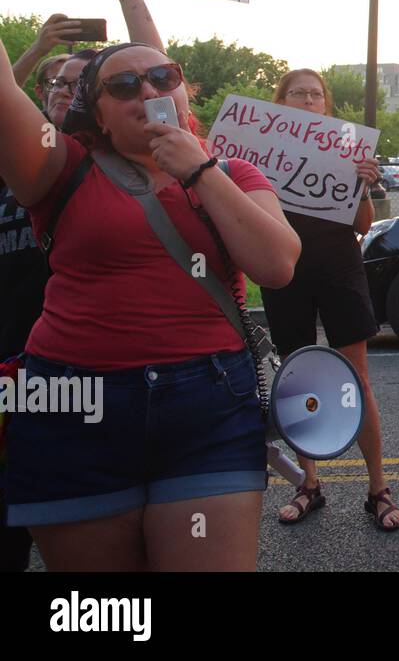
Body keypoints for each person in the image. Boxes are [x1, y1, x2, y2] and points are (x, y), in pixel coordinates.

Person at [0, 35, 300, 570]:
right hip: (74, 408)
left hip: (207, 406)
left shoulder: (232, 174)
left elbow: (276, 266)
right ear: (100, 119)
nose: (147, 90)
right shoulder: (62, 167)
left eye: (164, 78)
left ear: (184, 94)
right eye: (122, 86)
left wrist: (199, 171)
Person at [1, 0, 163, 571]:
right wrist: (40, 45)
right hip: (16, 351)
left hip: (86, 362)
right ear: (39, 97)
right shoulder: (34, 158)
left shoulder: (111, 161)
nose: (66, 88)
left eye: (80, 81)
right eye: (56, 82)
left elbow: (155, 78)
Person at [265, 69, 399, 531]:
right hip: (285, 268)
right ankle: (309, 484)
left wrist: (363, 184)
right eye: (297, 93)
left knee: (357, 377)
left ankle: (377, 488)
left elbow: (363, 224)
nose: (307, 99)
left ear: (326, 103)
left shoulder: (347, 151)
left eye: (315, 93)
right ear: (281, 101)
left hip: (339, 265)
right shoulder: (261, 153)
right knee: (298, 376)